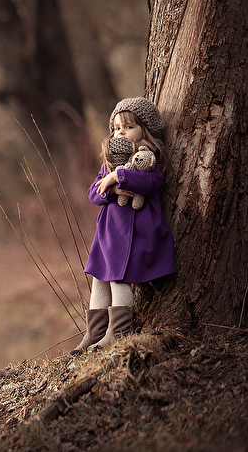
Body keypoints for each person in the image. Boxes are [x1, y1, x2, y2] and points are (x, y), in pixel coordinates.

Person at [70, 97, 176, 355]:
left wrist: (119, 176)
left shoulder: (151, 157)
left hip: (135, 232)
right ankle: (93, 333)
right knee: (99, 279)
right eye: (117, 127)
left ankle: (117, 332)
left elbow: (150, 183)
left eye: (128, 127)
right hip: (109, 233)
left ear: (145, 129)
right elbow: (94, 193)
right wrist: (112, 186)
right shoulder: (110, 159)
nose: (121, 132)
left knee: (119, 278)